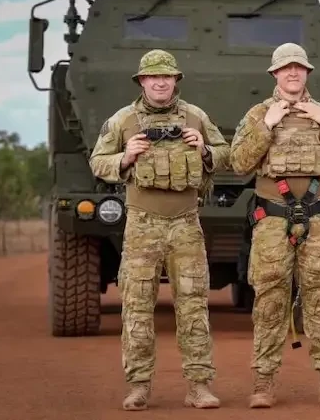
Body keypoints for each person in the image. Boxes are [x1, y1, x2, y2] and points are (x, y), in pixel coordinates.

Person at [88, 48, 230, 411]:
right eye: (153, 77)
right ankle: (138, 386)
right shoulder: (123, 120)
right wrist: (125, 157)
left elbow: (228, 154)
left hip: (186, 224)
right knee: (137, 307)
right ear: (142, 81)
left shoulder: (195, 117)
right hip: (142, 225)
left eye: (166, 76)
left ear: (175, 80)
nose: (160, 82)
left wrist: (206, 150)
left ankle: (199, 386)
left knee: (193, 306)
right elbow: (97, 162)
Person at [229, 42, 320, 408]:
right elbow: (238, 164)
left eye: (299, 67)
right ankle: (263, 384)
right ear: (275, 74)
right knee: (269, 301)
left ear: (307, 73)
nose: (293, 73)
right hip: (272, 220)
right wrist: (266, 127)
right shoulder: (258, 114)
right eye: (286, 68)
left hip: (318, 218)